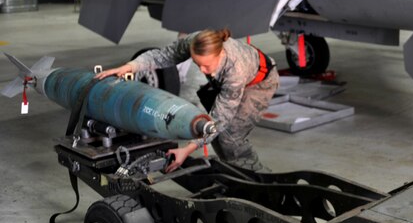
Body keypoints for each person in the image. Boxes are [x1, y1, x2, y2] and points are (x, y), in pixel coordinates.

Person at [96, 28, 279, 172]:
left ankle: (257, 178)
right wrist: (129, 67)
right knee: (219, 140)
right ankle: (235, 172)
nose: (203, 71)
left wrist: (189, 148)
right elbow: (163, 56)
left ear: (221, 54)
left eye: (207, 65)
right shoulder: (195, 41)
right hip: (236, 79)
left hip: (260, 84)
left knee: (230, 139)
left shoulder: (235, 70)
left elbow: (220, 119)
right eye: (198, 64)